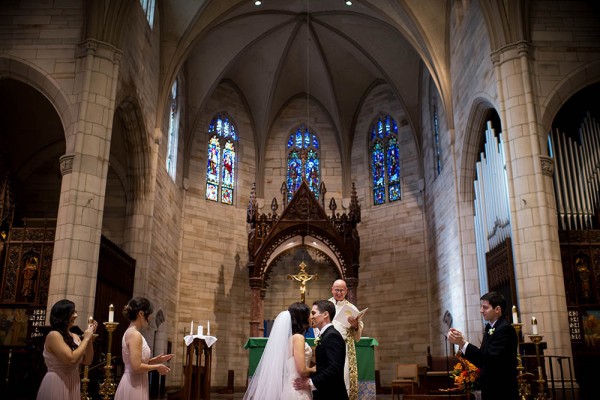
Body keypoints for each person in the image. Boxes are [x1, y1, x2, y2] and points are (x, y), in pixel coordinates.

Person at [447, 291, 518, 400]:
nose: (481, 310)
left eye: (485, 307)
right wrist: (462, 343)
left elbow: (487, 358)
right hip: (490, 388)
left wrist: (463, 343)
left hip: (502, 390)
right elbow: (482, 357)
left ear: (497, 309)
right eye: (481, 307)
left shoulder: (505, 329)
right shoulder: (490, 328)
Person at [243, 302, 314, 400]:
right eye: (309, 314)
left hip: (289, 386)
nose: (311, 317)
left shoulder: (287, 339)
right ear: (303, 318)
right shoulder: (298, 338)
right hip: (298, 387)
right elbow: (302, 370)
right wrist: (317, 368)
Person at [36, 299, 97, 400]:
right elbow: (71, 359)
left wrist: (89, 338)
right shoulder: (54, 335)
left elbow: (88, 361)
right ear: (64, 315)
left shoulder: (75, 336)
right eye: (73, 312)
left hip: (73, 381)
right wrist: (85, 338)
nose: (76, 316)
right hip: (57, 382)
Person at [114, 297, 173, 400]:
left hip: (136, 381)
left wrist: (155, 360)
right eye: (149, 313)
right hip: (134, 384)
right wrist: (157, 366)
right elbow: (136, 367)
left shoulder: (132, 332)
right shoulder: (134, 334)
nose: (150, 317)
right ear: (141, 314)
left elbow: (135, 362)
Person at [295, 300, 349, 400]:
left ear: (325, 314)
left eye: (313, 313)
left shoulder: (332, 336)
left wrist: (310, 383)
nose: (311, 317)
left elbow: (334, 368)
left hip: (333, 394)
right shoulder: (325, 335)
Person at [328, 279, 363, 400]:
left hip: (345, 347)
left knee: (345, 376)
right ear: (332, 290)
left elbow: (358, 330)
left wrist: (355, 325)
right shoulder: (326, 305)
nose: (339, 293)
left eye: (341, 290)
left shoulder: (351, 307)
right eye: (336, 290)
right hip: (329, 347)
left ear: (346, 291)